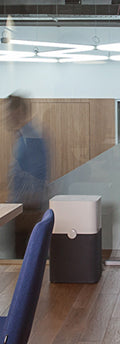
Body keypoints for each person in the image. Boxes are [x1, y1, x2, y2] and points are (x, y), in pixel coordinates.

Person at [4, 94, 49, 257]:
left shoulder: (31, 138)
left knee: (25, 259)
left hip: (27, 210)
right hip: (22, 208)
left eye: (8, 111)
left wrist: (21, 207)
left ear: (18, 111)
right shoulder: (24, 136)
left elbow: (37, 178)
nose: (5, 116)